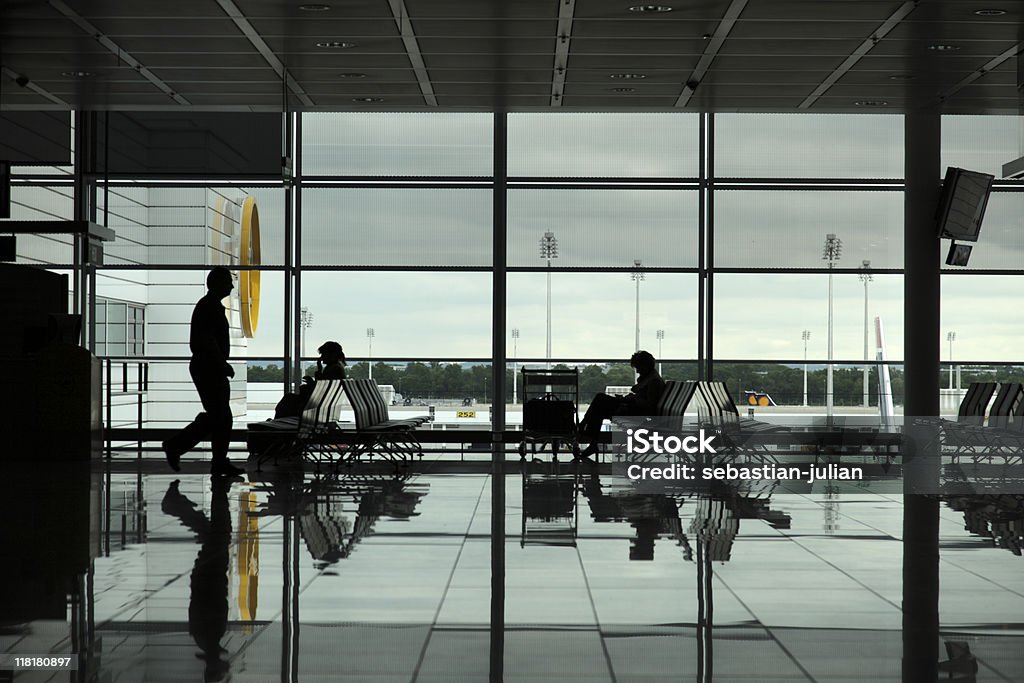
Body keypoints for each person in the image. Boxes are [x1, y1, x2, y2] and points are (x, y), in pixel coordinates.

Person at [163, 267, 245, 477]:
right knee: (221, 416)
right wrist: (222, 364)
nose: (232, 286)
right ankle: (179, 446)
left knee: (219, 416)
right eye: (228, 282)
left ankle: (203, 455)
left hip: (208, 366)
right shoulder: (209, 307)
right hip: (209, 367)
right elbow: (208, 342)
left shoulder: (209, 306)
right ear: (218, 283)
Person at [578, 350, 666, 459]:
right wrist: (629, 399)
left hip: (637, 414)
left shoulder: (654, 382)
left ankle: (585, 430)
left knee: (600, 400)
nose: (637, 371)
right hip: (633, 409)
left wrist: (632, 398)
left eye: (638, 367)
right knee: (599, 406)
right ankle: (589, 437)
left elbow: (649, 406)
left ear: (645, 366)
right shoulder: (652, 378)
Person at [273, 340, 347, 419]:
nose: (321, 357)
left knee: (287, 400)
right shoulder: (337, 367)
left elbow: (320, 388)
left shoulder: (332, 369)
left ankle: (279, 422)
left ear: (331, 354)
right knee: (289, 398)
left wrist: (314, 377)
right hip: (323, 403)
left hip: (317, 404)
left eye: (323, 354)